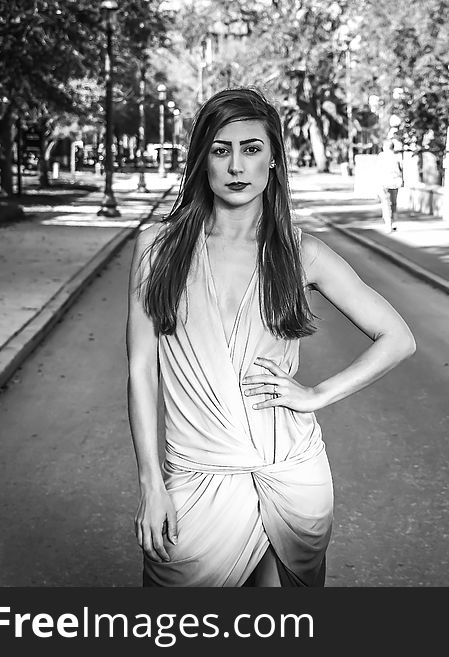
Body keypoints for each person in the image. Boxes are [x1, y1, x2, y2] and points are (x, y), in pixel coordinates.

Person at [126, 88, 416, 587]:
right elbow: (140, 371)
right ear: (203, 161)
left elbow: (398, 337)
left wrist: (317, 395)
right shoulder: (157, 246)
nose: (237, 165)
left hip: (291, 474)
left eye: (252, 148)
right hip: (197, 475)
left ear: (274, 161)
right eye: (221, 150)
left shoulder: (303, 254)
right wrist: (152, 483)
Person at [377, 139, 403, 231]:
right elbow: (401, 169)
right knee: (394, 203)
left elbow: (378, 171)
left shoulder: (381, 156)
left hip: (385, 183)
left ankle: (388, 224)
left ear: (385, 147)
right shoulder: (397, 157)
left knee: (386, 204)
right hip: (395, 183)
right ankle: (394, 222)